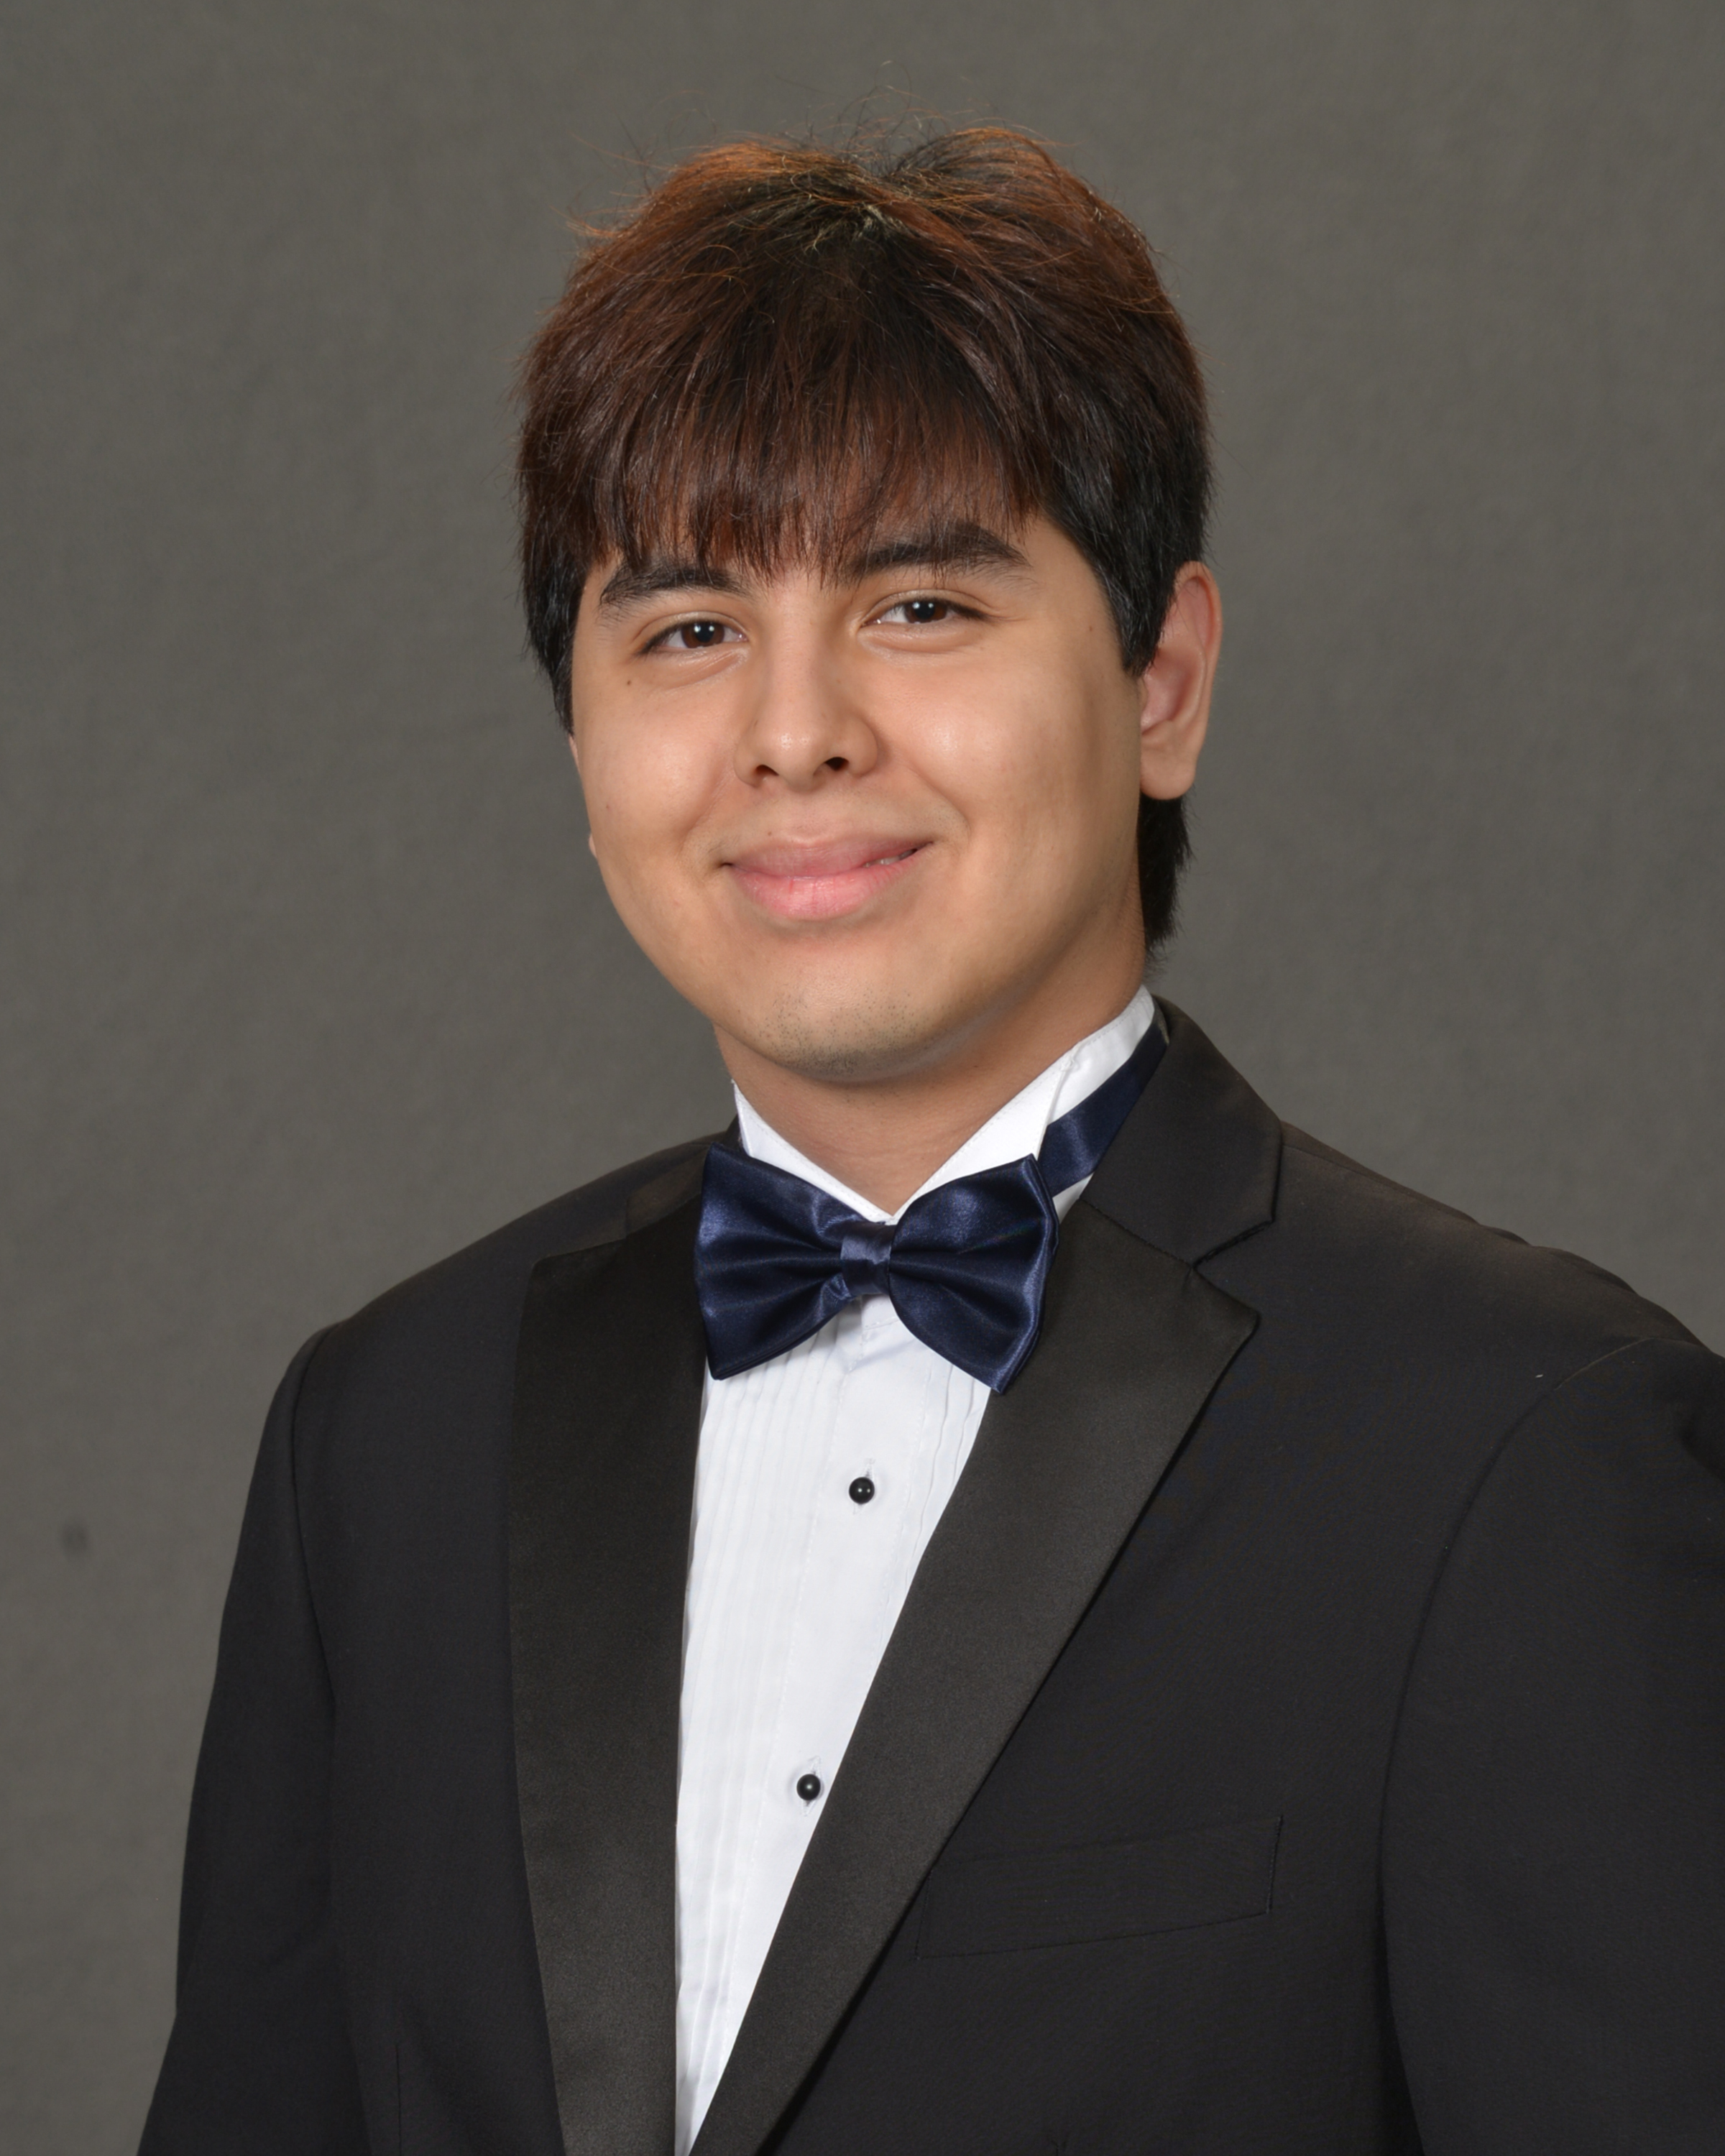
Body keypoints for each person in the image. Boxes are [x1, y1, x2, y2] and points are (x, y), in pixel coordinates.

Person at [139, 129, 1725, 2156]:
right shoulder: (384, 1436)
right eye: (689, 630)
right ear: (581, 740)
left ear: (1162, 682)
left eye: (918, 603)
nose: (794, 731)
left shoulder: (1529, 1449)